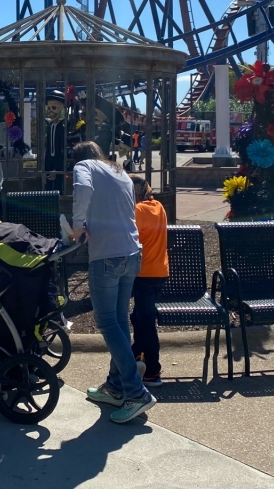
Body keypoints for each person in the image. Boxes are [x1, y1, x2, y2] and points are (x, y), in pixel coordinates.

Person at [69, 141, 155, 425]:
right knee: (119, 321)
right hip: (132, 253)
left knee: (107, 323)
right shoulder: (120, 172)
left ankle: (135, 392)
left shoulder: (84, 166)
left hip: (106, 255)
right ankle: (116, 386)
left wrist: (78, 224)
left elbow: (82, 189)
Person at [130, 177, 168, 389]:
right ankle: (139, 357)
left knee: (146, 322)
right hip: (160, 272)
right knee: (139, 317)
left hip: (144, 273)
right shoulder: (158, 206)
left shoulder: (138, 211)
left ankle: (152, 371)